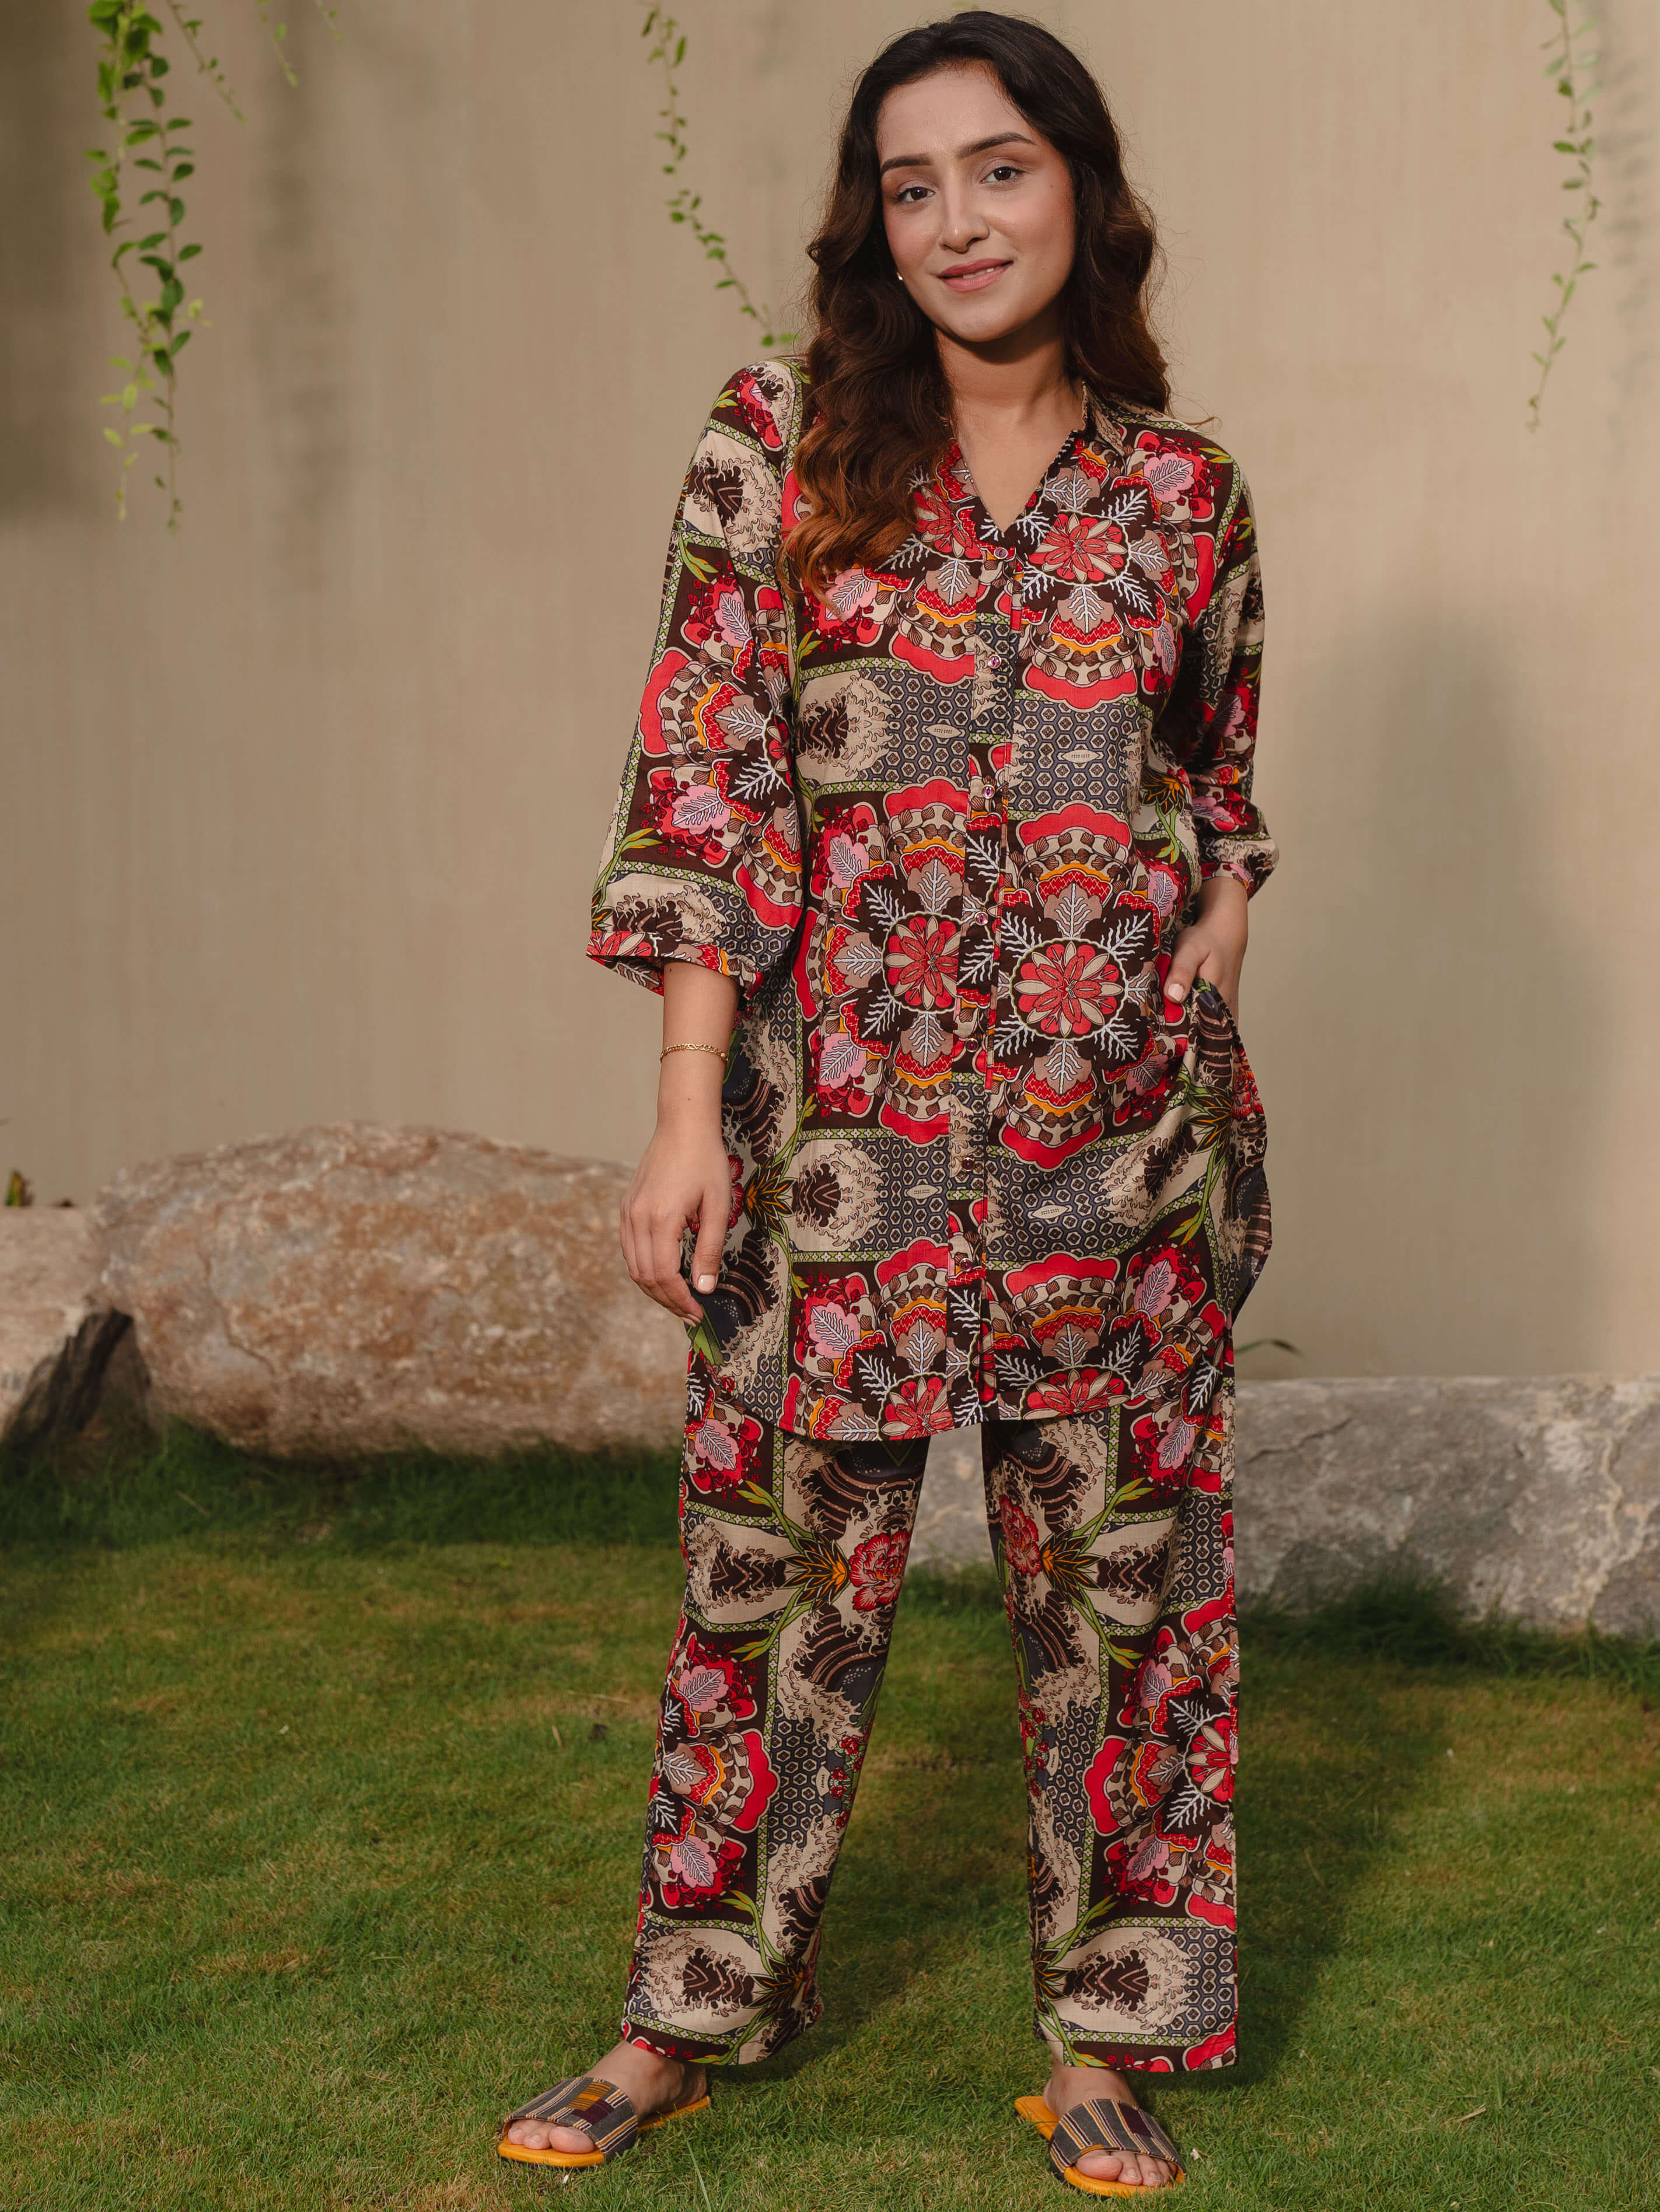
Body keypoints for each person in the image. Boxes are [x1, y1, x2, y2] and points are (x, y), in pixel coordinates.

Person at [501, 10, 1275, 2194]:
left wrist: (1214, 951)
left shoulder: (1185, 493)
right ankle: (680, 2021)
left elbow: (1219, 788)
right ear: (876, 224)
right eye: (911, 185)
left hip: (1114, 1156)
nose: (957, 220)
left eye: (999, 168)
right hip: (833, 1148)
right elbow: (707, 790)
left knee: (1126, 1607)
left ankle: (1105, 2035)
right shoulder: (778, 446)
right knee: (767, 1597)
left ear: (1084, 188)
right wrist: (687, 1110)